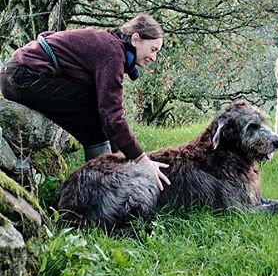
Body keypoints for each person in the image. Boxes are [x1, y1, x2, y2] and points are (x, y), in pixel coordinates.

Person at [0, 13, 170, 190]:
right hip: (22, 77)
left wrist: (128, 156)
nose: (154, 57)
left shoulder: (109, 43)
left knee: (97, 107)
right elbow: (112, 116)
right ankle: (101, 191)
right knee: (94, 121)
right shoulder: (112, 53)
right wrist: (142, 159)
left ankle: (120, 177)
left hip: (17, 73)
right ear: (136, 39)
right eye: (153, 49)